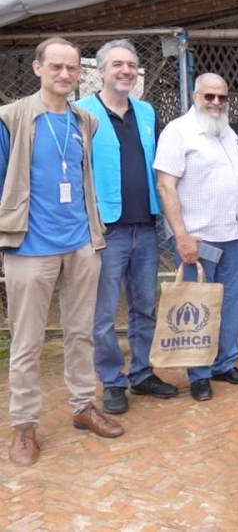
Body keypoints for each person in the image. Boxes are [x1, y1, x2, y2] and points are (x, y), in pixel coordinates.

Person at [2, 37, 123, 468]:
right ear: (37, 69)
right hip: (30, 246)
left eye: (72, 68)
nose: (64, 75)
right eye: (55, 67)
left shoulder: (84, 121)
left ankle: (82, 406)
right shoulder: (12, 119)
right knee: (28, 341)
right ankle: (24, 426)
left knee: (81, 333)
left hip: (80, 243)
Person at [77, 39, 178, 416]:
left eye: (131, 65)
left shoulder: (147, 111)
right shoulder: (82, 111)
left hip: (145, 226)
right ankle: (112, 380)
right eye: (117, 64)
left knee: (145, 307)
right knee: (103, 313)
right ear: (100, 71)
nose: (125, 71)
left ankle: (142, 373)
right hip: (107, 229)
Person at [154, 73, 238, 402]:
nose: (215, 103)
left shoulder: (228, 134)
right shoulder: (178, 132)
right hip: (197, 239)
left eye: (221, 98)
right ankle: (199, 374)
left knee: (230, 303)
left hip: (231, 236)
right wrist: (181, 236)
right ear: (195, 96)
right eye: (209, 96)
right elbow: (165, 186)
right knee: (198, 307)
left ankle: (225, 363)